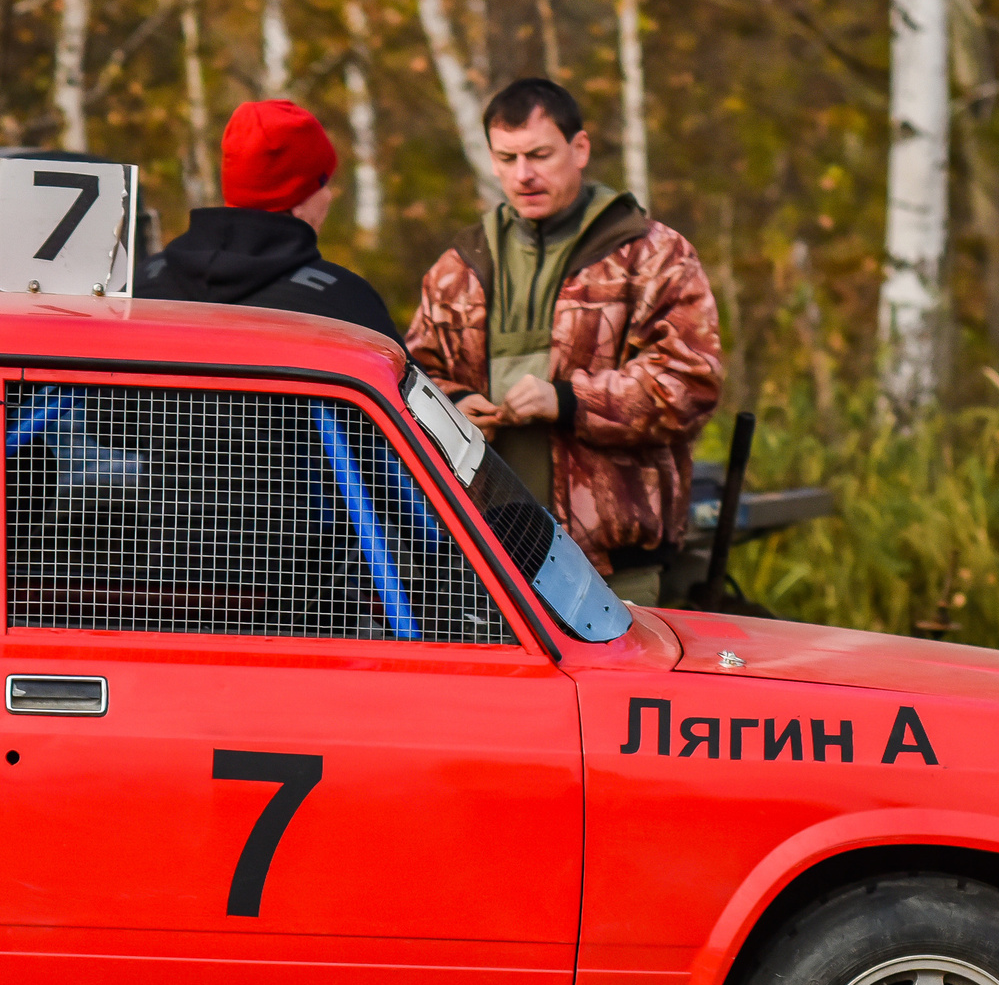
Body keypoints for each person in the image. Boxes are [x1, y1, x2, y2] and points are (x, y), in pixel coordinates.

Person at [407, 77, 722, 602]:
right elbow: (413, 377)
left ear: (580, 149)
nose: (523, 174)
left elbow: (690, 382)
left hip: (614, 570)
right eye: (506, 158)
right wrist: (457, 406)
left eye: (539, 154)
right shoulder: (456, 269)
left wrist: (568, 400)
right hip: (485, 565)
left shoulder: (653, 257)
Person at [137, 99, 399, 338]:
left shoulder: (138, 288)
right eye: (324, 183)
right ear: (299, 198)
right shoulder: (345, 305)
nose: (329, 196)